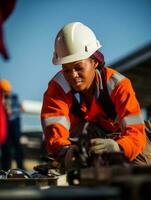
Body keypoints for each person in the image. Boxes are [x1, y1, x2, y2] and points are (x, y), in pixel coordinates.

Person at [41, 22, 151, 168]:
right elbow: (54, 133)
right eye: (66, 70)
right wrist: (66, 153)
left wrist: (119, 148)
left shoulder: (118, 85)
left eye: (78, 67)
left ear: (94, 62)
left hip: (123, 139)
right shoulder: (57, 88)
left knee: (142, 167)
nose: (73, 75)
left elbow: (136, 132)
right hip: (85, 139)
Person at [0, 79, 24, 171]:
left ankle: (20, 168)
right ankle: (5, 169)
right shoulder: (2, 98)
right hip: (6, 127)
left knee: (17, 148)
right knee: (6, 150)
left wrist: (9, 111)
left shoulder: (14, 96)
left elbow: (20, 109)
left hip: (14, 126)